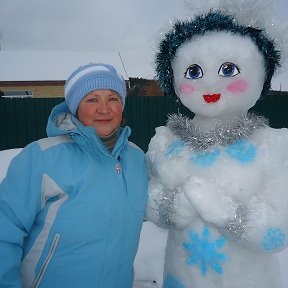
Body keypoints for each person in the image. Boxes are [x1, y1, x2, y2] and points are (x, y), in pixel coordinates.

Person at [0, 63, 148, 288]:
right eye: (91, 99)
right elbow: (5, 231)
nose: (104, 109)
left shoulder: (137, 159)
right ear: (75, 107)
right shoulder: (41, 157)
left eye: (112, 98)